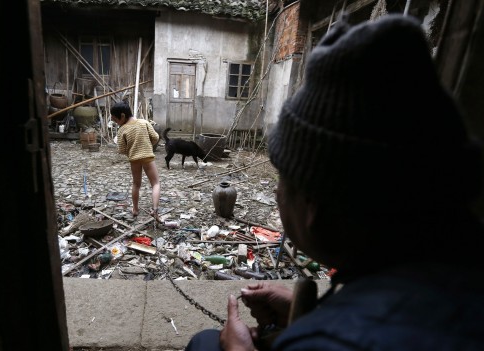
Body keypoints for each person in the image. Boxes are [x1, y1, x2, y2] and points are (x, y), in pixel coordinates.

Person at [185, 14, 484, 351]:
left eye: (283, 177)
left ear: (316, 208)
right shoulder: (455, 263)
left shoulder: (331, 341)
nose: (274, 190)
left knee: (206, 344)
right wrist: (310, 314)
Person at [110, 101, 161, 221]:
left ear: (122, 116)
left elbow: (121, 150)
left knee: (136, 184)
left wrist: (131, 149)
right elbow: (155, 138)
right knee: (155, 183)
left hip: (134, 160)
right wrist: (148, 145)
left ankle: (135, 209)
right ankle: (155, 210)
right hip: (148, 157)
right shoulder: (144, 122)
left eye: (115, 120)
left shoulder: (122, 130)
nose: (116, 123)